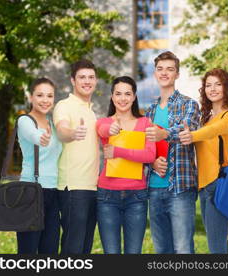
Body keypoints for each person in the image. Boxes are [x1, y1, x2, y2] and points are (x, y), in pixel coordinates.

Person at [144, 51, 200, 254]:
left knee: (184, 249)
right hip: (154, 188)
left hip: (181, 189)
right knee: (162, 251)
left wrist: (164, 133)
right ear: (155, 74)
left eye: (170, 69)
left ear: (177, 74)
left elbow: (188, 129)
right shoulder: (149, 111)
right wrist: (151, 163)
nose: (164, 73)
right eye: (160, 69)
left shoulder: (189, 104)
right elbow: (143, 148)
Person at [179, 68, 228, 254]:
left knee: (216, 245)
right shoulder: (205, 117)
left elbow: (215, 130)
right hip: (203, 186)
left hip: (218, 183)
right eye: (208, 85)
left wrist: (193, 135)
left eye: (218, 84)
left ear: (226, 87)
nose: (212, 89)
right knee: (217, 243)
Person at [96, 76, 156, 254]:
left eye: (127, 94)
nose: (123, 98)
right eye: (118, 94)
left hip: (136, 196)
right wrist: (111, 130)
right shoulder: (105, 122)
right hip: (107, 195)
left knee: (133, 253)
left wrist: (118, 151)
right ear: (112, 97)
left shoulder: (145, 123)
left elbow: (149, 155)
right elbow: (102, 130)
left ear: (134, 96)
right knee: (111, 253)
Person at [53, 59, 99, 254]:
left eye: (90, 77)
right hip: (73, 187)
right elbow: (62, 129)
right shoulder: (64, 106)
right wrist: (72, 134)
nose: (87, 81)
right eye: (82, 77)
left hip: (93, 187)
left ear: (96, 81)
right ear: (73, 80)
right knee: (73, 248)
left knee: (85, 248)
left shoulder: (92, 111)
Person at [16, 77, 62, 254]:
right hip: (31, 192)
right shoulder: (25, 121)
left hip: (53, 192)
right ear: (31, 97)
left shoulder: (52, 124)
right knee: (27, 250)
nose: (45, 100)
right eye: (40, 95)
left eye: (50, 96)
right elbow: (34, 135)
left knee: (49, 251)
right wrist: (41, 138)